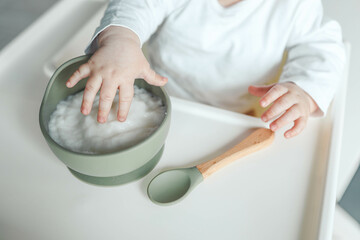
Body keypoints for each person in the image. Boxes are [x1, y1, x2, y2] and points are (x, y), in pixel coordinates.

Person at [66, 0, 345, 138]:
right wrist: (121, 39)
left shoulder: (296, 6)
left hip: (238, 113)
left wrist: (304, 92)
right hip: (161, 99)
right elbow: (137, 6)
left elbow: (322, 47)